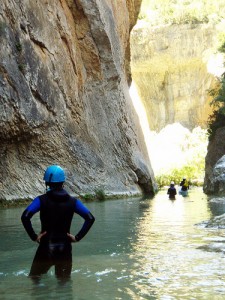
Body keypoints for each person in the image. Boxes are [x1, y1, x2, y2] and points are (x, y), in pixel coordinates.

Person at [21, 165, 95, 281]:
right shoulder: (73, 202)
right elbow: (90, 218)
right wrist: (77, 237)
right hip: (65, 249)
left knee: (35, 279)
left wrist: (34, 236)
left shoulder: (41, 200)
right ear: (63, 182)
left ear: (47, 183)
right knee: (64, 285)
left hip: (46, 248)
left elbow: (25, 217)